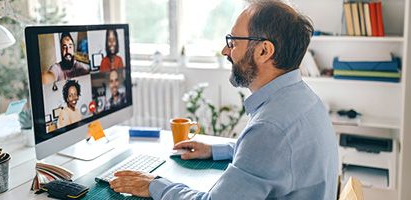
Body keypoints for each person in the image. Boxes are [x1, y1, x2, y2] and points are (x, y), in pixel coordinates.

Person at [108, 1, 339, 199]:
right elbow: (272, 156)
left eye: (233, 42)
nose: (225, 51)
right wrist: (216, 150)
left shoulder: (270, 128)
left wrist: (154, 185)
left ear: (264, 51)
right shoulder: (303, 99)